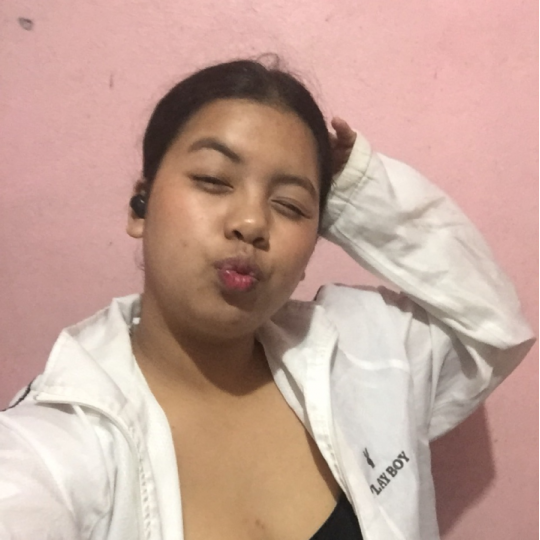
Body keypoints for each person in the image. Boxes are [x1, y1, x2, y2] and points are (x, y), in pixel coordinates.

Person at [0, 58, 534, 540]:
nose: (252, 222)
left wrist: (357, 187)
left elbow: (490, 323)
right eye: (214, 180)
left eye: (291, 205)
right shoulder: (50, 452)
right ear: (141, 205)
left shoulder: (363, 352)